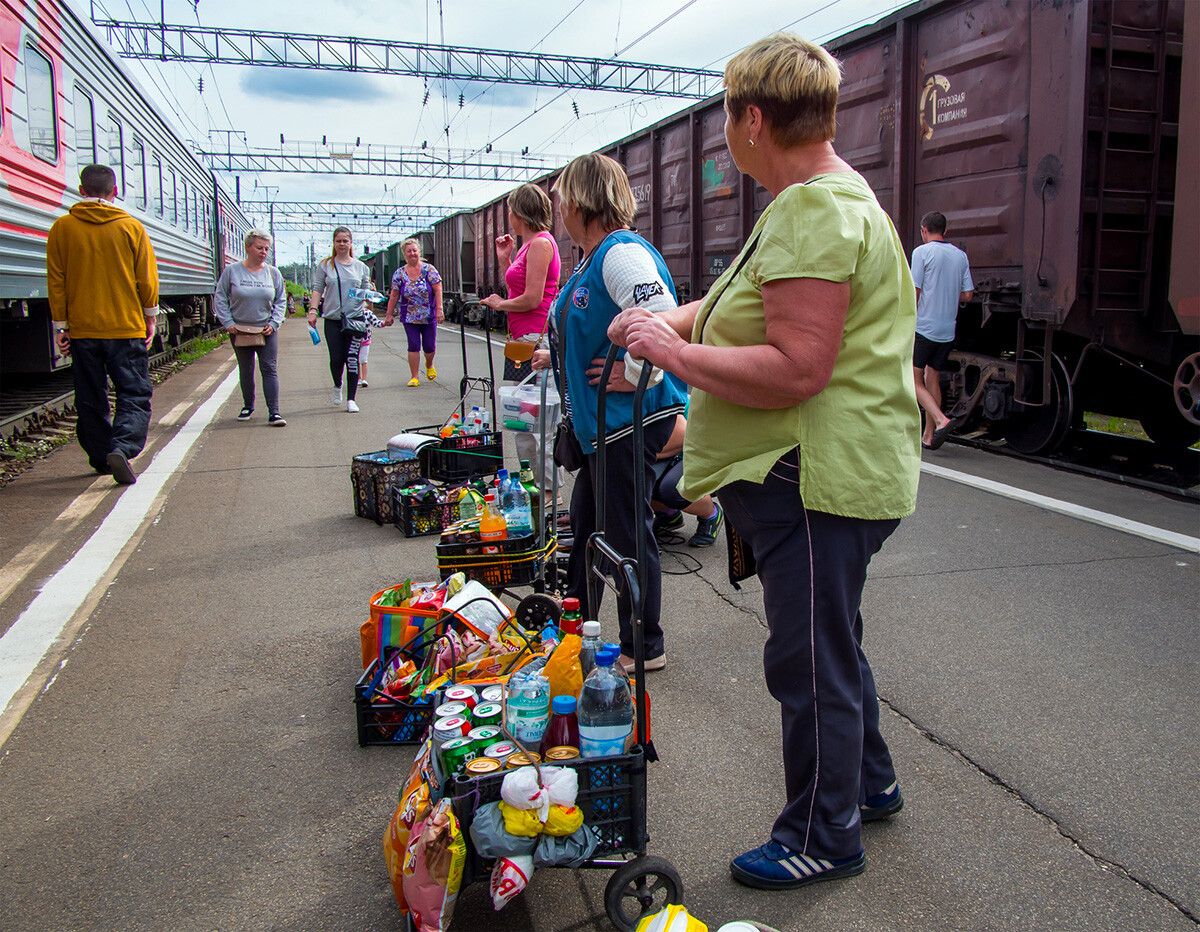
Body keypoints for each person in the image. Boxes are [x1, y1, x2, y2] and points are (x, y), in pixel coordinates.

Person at [609, 33, 921, 891]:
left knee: (808, 661)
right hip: (828, 473)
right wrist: (665, 322)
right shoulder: (822, 197)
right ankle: (870, 784)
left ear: (753, 118)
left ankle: (823, 834)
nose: (724, 140)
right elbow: (742, 303)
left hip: (814, 477)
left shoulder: (814, 210)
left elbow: (796, 369)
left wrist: (667, 357)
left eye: (725, 122)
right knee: (833, 644)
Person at [532, 152, 688, 674]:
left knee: (624, 530)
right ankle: (573, 632)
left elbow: (663, 312)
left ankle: (645, 645)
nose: (558, 206)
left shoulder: (619, 252)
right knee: (588, 524)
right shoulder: (593, 255)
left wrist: (637, 367)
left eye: (561, 196)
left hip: (630, 419)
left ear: (579, 198)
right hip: (607, 425)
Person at [46, 163, 158, 486]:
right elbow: (147, 279)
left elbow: (57, 282)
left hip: (83, 330)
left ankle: (100, 456)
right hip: (125, 328)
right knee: (133, 393)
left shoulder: (62, 229)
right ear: (115, 192)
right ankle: (122, 447)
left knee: (90, 396)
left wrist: (60, 327)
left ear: (81, 191)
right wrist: (150, 318)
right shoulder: (131, 227)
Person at [480, 183, 563, 494]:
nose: (509, 216)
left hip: (536, 342)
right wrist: (506, 259)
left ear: (521, 212)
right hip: (521, 342)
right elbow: (519, 286)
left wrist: (499, 304)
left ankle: (550, 495)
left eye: (512, 210)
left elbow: (531, 298)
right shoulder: (529, 245)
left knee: (540, 425)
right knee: (520, 420)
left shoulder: (542, 244)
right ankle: (532, 488)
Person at [911, 210, 973, 449]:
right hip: (948, 329)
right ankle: (928, 436)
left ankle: (940, 420)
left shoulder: (922, 253)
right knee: (932, 376)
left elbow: (915, 290)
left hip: (924, 327)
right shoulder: (960, 256)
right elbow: (968, 294)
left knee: (912, 379)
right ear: (945, 231)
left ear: (924, 230)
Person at [214, 228, 288, 426]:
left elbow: (281, 300)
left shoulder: (273, 273)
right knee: (246, 368)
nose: (263, 252)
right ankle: (248, 406)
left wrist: (274, 323)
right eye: (259, 247)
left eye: (266, 249)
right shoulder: (232, 271)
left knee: (269, 368)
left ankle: (274, 412)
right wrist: (228, 323)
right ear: (248, 247)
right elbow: (220, 297)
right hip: (239, 330)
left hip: (266, 329)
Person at [307, 226, 371, 413]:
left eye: (345, 240)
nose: (342, 244)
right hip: (333, 319)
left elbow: (366, 294)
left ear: (351, 243)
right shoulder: (326, 265)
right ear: (334, 244)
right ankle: (337, 384)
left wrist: (369, 300)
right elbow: (318, 288)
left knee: (352, 358)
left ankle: (351, 398)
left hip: (355, 319)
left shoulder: (361, 267)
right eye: (338, 241)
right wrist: (313, 310)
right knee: (336, 358)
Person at [648, 414, 724, 548]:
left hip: (699, 450)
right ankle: (669, 516)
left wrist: (637, 453)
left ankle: (711, 514)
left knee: (672, 488)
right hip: (667, 451)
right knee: (636, 480)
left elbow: (681, 437)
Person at [383, 238, 443, 387]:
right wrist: (389, 314)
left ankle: (429, 364)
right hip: (409, 316)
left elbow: (437, 289)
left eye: (414, 250)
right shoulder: (399, 273)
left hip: (428, 315)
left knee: (429, 346)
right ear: (404, 254)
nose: (412, 254)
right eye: (409, 251)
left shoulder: (429, 269)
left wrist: (439, 309)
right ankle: (414, 376)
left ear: (419, 252)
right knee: (413, 345)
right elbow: (394, 295)